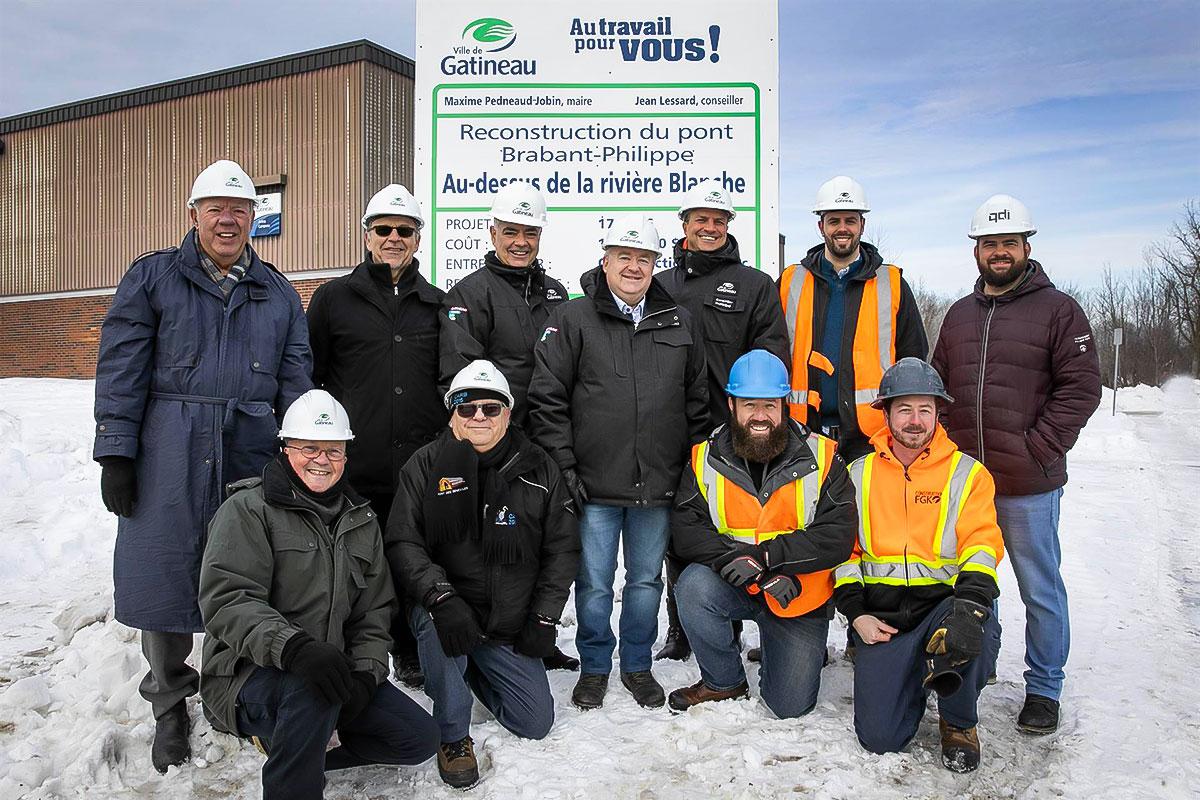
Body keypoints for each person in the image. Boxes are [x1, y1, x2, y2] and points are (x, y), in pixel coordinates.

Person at [93, 159, 311, 773]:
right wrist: (117, 451)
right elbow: (122, 366)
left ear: (253, 221)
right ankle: (168, 705)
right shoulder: (153, 278)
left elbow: (295, 380)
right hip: (169, 445)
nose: (228, 218)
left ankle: (232, 691)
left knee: (245, 572)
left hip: (248, 445)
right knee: (163, 573)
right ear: (193, 214)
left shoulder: (277, 292)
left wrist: (297, 453)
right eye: (215, 207)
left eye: (239, 209)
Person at [199, 390, 438, 799]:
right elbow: (228, 599)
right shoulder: (249, 510)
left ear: (346, 454)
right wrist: (293, 649)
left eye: (334, 450)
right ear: (285, 448)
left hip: (331, 670)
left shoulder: (361, 521)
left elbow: (374, 612)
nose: (322, 459)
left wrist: (365, 673)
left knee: (418, 737)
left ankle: (295, 747)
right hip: (245, 676)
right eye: (309, 447)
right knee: (310, 692)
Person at [932, 195, 1101, 735]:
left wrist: (1040, 447)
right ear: (976, 250)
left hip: (1027, 483)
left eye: (1008, 243)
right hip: (965, 483)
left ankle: (1044, 688)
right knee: (971, 580)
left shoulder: (1059, 310)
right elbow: (938, 388)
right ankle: (977, 668)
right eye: (989, 244)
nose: (998, 252)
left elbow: (1081, 388)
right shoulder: (959, 314)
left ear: (1026, 246)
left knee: (1038, 586)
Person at [529, 214, 708, 711]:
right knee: (593, 582)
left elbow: (696, 401)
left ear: (657, 264)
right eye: (625, 257)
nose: (634, 266)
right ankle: (594, 667)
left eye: (644, 258)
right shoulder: (573, 318)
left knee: (647, 579)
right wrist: (565, 467)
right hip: (593, 483)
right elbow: (548, 398)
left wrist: (692, 468)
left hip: (659, 482)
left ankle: (636, 665)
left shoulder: (679, 321)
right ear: (605, 261)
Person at [386, 361, 580, 789]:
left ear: (508, 414)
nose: (478, 417)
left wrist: (544, 617)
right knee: (439, 631)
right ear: (450, 413)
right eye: (466, 406)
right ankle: (453, 736)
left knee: (534, 722)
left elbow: (562, 549)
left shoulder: (539, 468)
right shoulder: (424, 466)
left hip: (506, 622)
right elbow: (403, 542)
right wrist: (440, 597)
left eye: (490, 409)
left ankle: (470, 668)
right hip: (447, 609)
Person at [833, 358, 1004, 772]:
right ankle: (914, 676)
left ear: (937, 413)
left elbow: (982, 545)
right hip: (883, 620)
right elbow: (842, 554)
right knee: (879, 739)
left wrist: (972, 608)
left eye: (925, 409)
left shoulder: (968, 474)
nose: (915, 420)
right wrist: (857, 616)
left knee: (972, 626)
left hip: (943, 609)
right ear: (886, 413)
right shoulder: (857, 475)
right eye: (905, 409)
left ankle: (959, 720)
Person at [306, 184, 444, 689]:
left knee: (409, 558)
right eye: (383, 229)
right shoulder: (333, 299)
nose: (393, 238)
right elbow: (309, 379)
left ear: (417, 240)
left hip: (416, 467)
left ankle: (407, 648)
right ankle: (353, 651)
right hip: (353, 465)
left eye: (403, 230)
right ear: (367, 237)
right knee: (353, 565)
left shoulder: (436, 304)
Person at [668, 350, 856, 718]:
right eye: (749, 404)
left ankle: (793, 648)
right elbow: (686, 528)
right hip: (735, 581)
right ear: (732, 404)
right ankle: (724, 681)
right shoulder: (703, 458)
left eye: (769, 405)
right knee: (692, 585)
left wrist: (769, 558)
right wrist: (735, 559)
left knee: (788, 707)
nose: (759, 416)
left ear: (784, 405)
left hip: (795, 593)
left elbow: (838, 534)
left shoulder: (823, 456)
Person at [438, 182, 578, 671]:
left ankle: (538, 629)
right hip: (494, 446)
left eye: (530, 232)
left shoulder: (557, 294)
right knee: (492, 541)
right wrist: (492, 434)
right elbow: (458, 377)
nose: (521, 241)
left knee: (541, 540)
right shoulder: (469, 294)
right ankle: (486, 636)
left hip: (546, 439)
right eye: (511, 231)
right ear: (493, 231)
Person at [654, 180, 791, 662]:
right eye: (700, 219)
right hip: (673, 433)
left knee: (734, 529)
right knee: (681, 531)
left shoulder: (754, 285)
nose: (709, 227)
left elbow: (771, 353)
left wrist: (751, 422)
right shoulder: (661, 285)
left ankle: (734, 622)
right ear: (685, 225)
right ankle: (682, 627)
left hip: (731, 435)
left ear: (729, 225)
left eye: (719, 220)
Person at [777, 175, 927, 463]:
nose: (842, 228)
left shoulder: (892, 282)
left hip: (872, 437)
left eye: (850, 220)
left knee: (866, 510)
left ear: (862, 225)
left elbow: (913, 356)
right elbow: (773, 349)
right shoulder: (790, 282)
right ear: (821, 226)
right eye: (834, 221)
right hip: (803, 433)